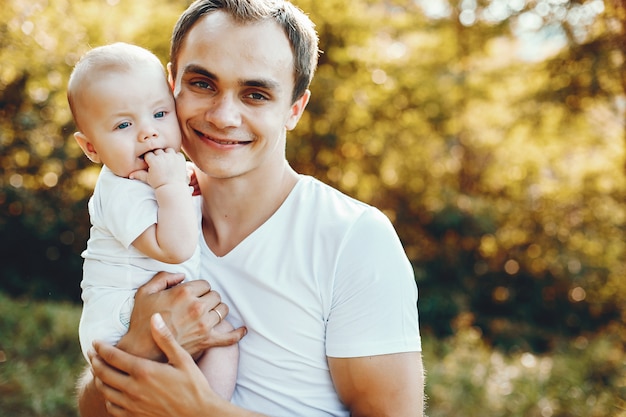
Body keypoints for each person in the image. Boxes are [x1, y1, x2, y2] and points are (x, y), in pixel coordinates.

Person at [77, 1, 424, 416]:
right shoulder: (144, 206)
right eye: (203, 84)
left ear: (294, 109)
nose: (224, 116)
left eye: (255, 94)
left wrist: (203, 411)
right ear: (172, 85)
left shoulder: (354, 237)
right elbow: (92, 410)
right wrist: (138, 348)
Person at [67, 42, 238, 400]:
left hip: (160, 309)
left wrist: (177, 183)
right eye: (124, 124)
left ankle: (204, 407)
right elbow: (174, 248)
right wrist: (172, 186)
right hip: (124, 322)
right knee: (219, 345)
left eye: (160, 114)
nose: (148, 132)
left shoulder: (158, 177)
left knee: (223, 345)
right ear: (91, 148)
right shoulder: (119, 191)